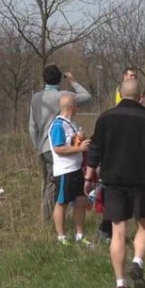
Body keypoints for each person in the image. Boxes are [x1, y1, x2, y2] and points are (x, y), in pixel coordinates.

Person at [86, 75, 145, 288]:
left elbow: (94, 149)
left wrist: (88, 176)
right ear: (141, 98)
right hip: (141, 181)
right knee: (144, 226)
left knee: (118, 231)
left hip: (114, 181)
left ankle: (121, 285)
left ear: (120, 95)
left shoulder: (105, 118)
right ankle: (137, 262)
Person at [29, 65, 91, 219]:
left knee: (48, 181)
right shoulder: (64, 96)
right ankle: (48, 219)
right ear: (59, 80)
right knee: (57, 183)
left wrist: (37, 145)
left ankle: (48, 217)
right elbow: (87, 96)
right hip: (60, 145)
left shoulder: (35, 98)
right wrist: (73, 81)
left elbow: (31, 126)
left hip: (42, 146)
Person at [49, 94, 92, 245]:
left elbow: (74, 144)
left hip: (77, 169)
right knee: (62, 203)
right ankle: (61, 237)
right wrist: (78, 148)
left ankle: (80, 235)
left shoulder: (72, 124)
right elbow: (58, 148)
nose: (78, 109)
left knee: (80, 201)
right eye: (76, 106)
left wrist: (82, 141)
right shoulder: (58, 125)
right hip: (65, 170)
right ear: (70, 107)